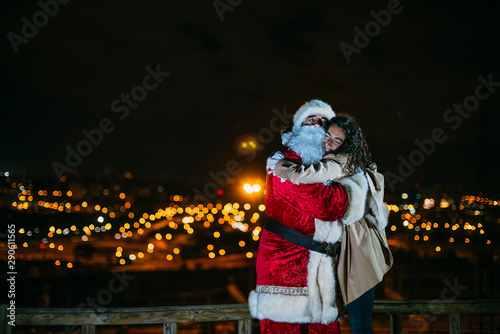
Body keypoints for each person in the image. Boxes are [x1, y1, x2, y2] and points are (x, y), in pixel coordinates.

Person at [249, 100, 368, 334]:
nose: (316, 124)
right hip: (284, 262)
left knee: (323, 328)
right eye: (310, 119)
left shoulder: (331, 167)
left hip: (322, 264)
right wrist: (343, 194)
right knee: (283, 327)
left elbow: (346, 206)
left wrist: (345, 194)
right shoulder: (282, 162)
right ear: (297, 127)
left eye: (323, 121)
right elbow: (324, 204)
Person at [273, 115, 389, 334]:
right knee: (361, 321)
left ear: (346, 144)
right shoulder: (361, 163)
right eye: (328, 135)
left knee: (359, 323)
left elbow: (306, 175)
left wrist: (279, 166)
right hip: (364, 247)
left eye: (337, 140)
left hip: (358, 251)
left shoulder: (339, 162)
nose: (329, 142)